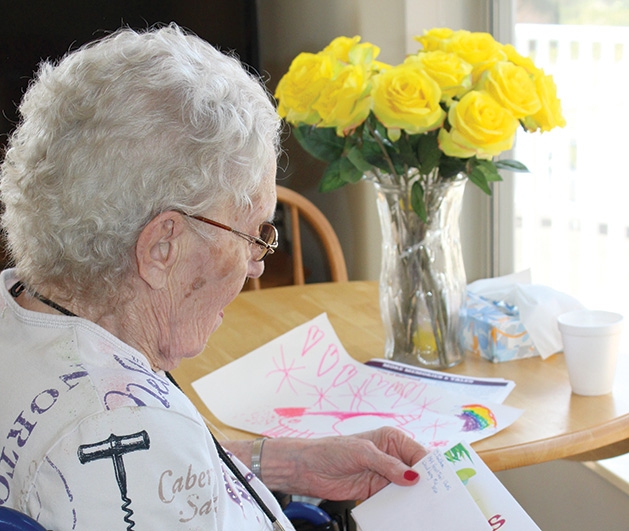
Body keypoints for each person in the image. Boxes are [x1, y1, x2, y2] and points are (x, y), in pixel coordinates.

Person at [0, 24, 427, 530]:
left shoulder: (24, 309)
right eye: (252, 232)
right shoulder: (123, 429)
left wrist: (286, 463)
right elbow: (136, 459)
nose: (258, 263)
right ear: (162, 247)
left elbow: (149, 474)